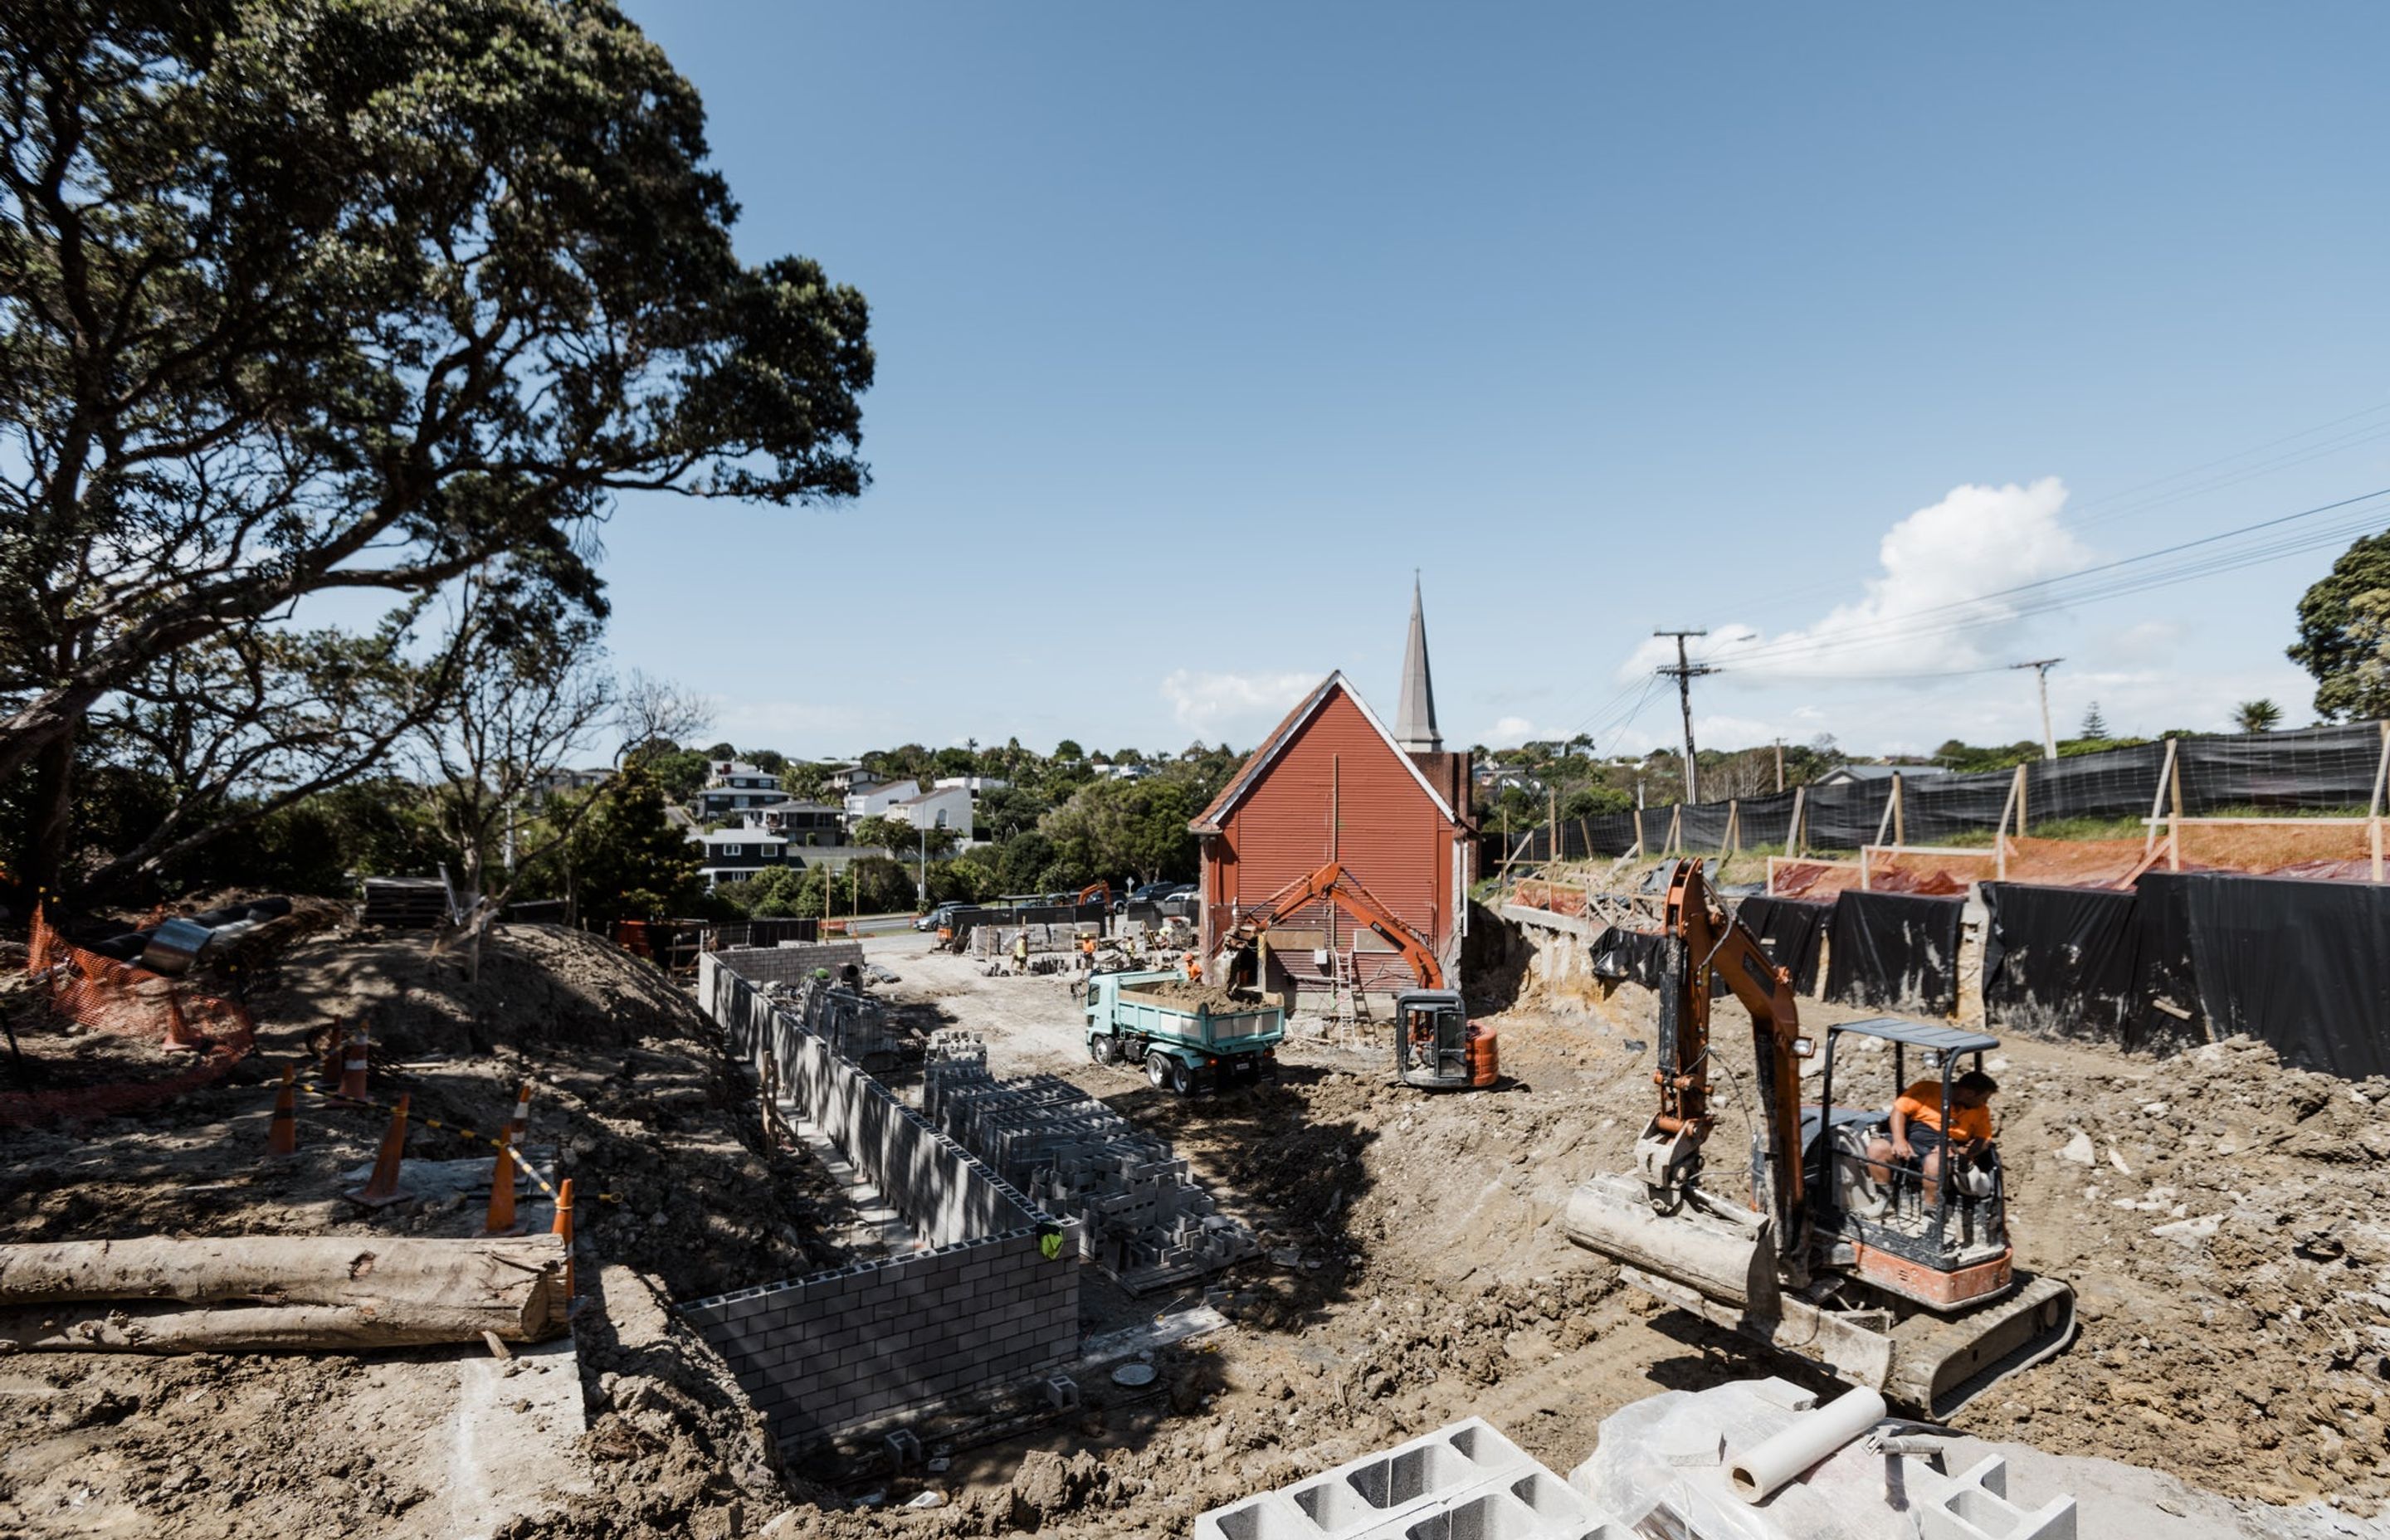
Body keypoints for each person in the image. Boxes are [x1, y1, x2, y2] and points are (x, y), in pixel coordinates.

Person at [1866, 1070, 1999, 1206]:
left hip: (1944, 1149)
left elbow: (1983, 1140)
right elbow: (1899, 1111)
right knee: (1878, 1148)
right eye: (1984, 1098)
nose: (1985, 1102)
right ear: (1970, 1093)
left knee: (1935, 1163)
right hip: (1913, 1141)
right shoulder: (1926, 1089)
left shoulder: (1980, 1110)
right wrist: (1899, 1140)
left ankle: (1932, 1210)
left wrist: (1959, 1151)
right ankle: (1884, 1200)